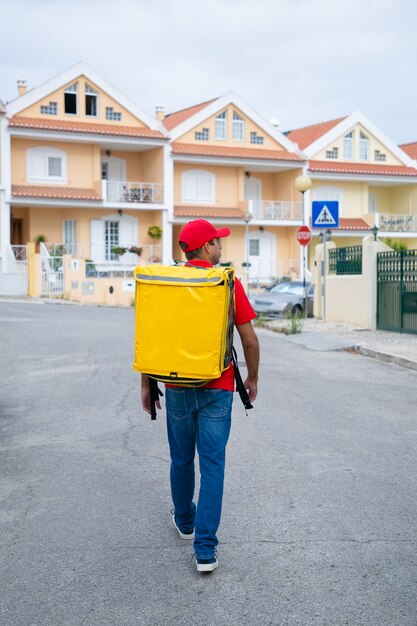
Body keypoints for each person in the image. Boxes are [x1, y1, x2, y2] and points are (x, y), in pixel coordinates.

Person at [141, 218, 260, 573]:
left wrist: (147, 384)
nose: (221, 247)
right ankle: (205, 551)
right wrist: (252, 377)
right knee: (212, 466)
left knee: (180, 460)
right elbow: (250, 339)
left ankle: (186, 524)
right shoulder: (226, 284)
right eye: (217, 242)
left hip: (177, 386)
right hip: (218, 387)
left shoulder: (168, 285)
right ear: (206, 248)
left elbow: (153, 338)